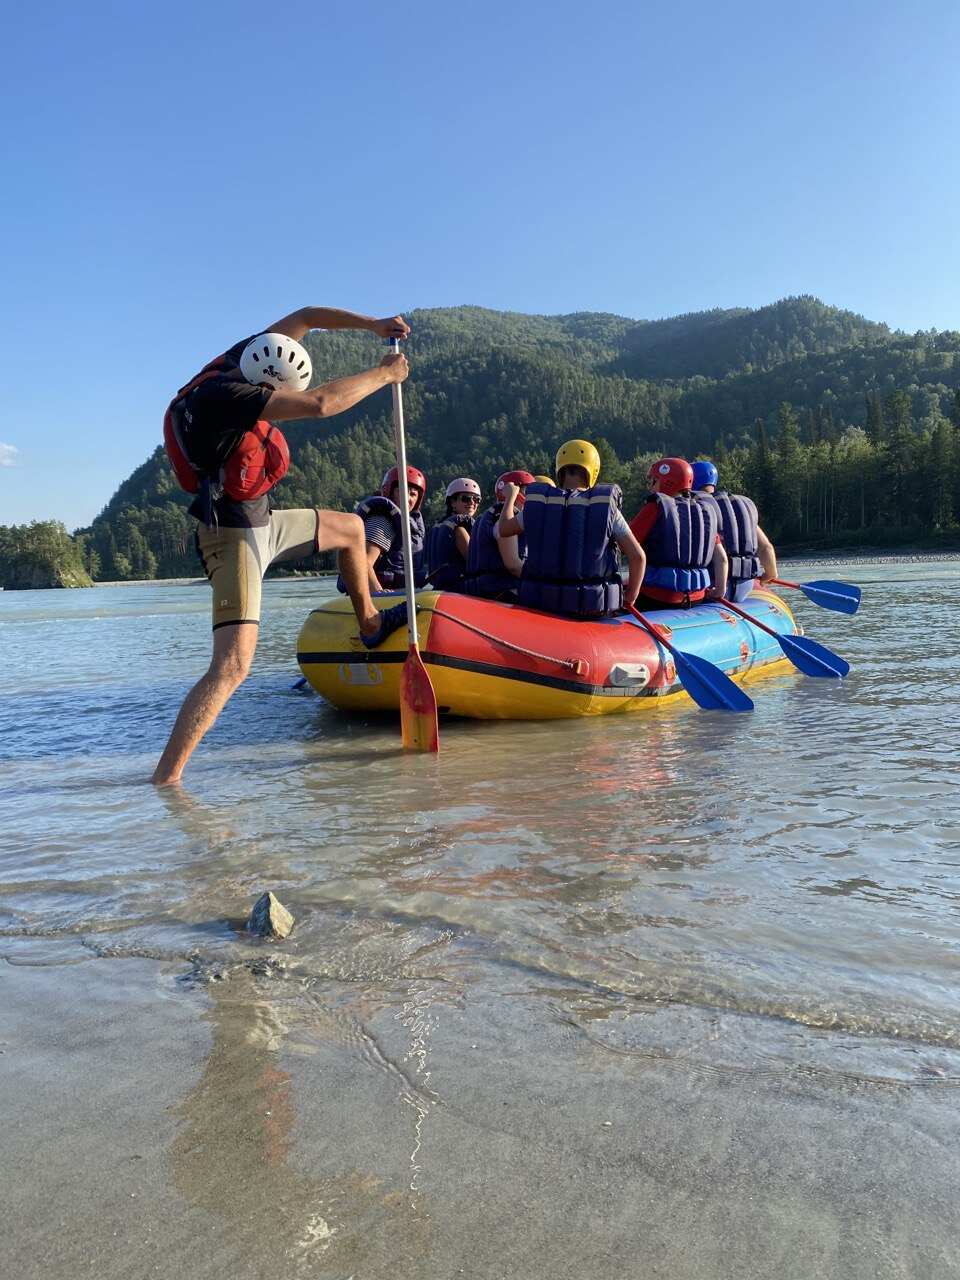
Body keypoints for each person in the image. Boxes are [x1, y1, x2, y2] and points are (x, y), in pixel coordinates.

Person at [152, 306, 411, 786]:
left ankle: (370, 623)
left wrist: (374, 325)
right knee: (231, 667)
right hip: (231, 538)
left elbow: (307, 316)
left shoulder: (244, 355)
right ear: (268, 386)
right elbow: (319, 405)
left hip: (264, 521)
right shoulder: (228, 395)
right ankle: (166, 780)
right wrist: (383, 374)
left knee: (353, 530)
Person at [498, 440, 645, 617]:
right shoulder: (605, 507)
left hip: (542, 607)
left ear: (560, 470)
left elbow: (504, 529)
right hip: (592, 611)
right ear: (593, 470)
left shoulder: (540, 504)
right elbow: (637, 557)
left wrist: (509, 499)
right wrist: (630, 597)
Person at [628, 457, 727, 609]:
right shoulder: (705, 511)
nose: (650, 487)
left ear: (667, 481)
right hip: (697, 597)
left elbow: (627, 546)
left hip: (657, 596)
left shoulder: (655, 507)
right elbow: (721, 559)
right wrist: (720, 590)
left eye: (653, 481)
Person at [691, 460, 779, 602]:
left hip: (713, 586)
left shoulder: (697, 507)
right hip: (745, 586)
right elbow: (766, 547)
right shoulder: (738, 510)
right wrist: (770, 573)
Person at [348, 464, 428, 593]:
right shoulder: (383, 521)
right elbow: (363, 562)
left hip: (402, 593)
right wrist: (379, 593)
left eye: (413, 494)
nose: (407, 498)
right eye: (401, 491)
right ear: (389, 491)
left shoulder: (409, 524)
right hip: (377, 596)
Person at [464, 470, 535, 601]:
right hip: (501, 590)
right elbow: (513, 565)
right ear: (515, 492)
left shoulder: (489, 516)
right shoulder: (505, 517)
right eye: (528, 492)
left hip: (485, 589)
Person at [425, 477, 482, 591]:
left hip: (441, 587)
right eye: (466, 498)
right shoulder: (459, 528)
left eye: (476, 499)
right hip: (458, 589)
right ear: (452, 502)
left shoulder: (441, 525)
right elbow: (474, 561)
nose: (472, 502)